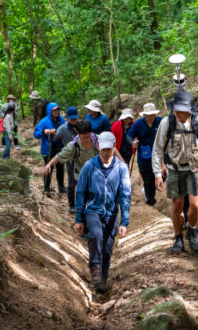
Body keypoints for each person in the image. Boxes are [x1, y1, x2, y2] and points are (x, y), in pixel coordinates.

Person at [152, 90, 198, 255]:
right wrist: (157, 173)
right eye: (175, 110)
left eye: (180, 110)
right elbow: (158, 149)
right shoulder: (167, 123)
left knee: (195, 205)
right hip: (175, 168)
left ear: (189, 110)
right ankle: (178, 237)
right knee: (177, 205)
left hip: (196, 169)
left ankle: (192, 230)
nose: (177, 113)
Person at [74, 131, 131, 293]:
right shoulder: (89, 166)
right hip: (93, 210)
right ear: (98, 147)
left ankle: (103, 277)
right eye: (103, 149)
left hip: (112, 212)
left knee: (107, 246)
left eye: (109, 149)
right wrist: (79, 219)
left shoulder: (121, 169)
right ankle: (96, 274)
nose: (106, 153)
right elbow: (80, 192)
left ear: (114, 147)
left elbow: (125, 195)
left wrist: (124, 222)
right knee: (96, 236)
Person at [127, 103, 162, 206]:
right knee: (148, 180)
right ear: (145, 115)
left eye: (153, 114)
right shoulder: (138, 124)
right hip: (144, 157)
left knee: (162, 176)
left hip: (159, 156)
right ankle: (150, 201)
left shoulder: (160, 121)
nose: (152, 117)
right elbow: (129, 136)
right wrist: (132, 143)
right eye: (149, 115)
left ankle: (148, 193)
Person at [50, 107, 83, 206]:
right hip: (71, 158)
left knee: (85, 181)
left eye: (75, 118)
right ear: (67, 118)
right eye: (72, 118)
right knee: (72, 183)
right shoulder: (62, 129)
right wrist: (50, 134)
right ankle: (72, 205)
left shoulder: (82, 125)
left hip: (83, 157)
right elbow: (54, 139)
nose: (74, 120)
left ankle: (83, 204)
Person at [33, 102, 64, 198]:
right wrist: (44, 131)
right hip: (48, 148)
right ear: (49, 111)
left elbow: (66, 129)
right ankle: (46, 189)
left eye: (57, 110)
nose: (56, 112)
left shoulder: (61, 120)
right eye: (54, 110)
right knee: (49, 168)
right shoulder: (44, 121)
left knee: (61, 168)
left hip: (60, 147)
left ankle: (61, 186)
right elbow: (36, 134)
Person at [0, 94, 19, 160]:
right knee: (8, 145)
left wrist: (15, 113)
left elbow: (17, 114)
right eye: (10, 99)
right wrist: (3, 115)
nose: (11, 100)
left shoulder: (15, 106)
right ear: (8, 100)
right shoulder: (5, 106)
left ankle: (7, 157)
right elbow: (8, 128)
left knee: (14, 135)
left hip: (12, 123)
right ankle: (3, 157)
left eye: (12, 99)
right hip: (7, 128)